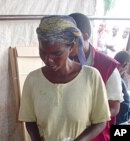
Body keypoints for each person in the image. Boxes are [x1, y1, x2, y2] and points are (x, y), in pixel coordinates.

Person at [18, 15, 110, 141]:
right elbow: (30, 120)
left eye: (56, 53)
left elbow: (100, 122)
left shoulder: (91, 77)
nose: (48, 59)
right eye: (43, 52)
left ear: (71, 47)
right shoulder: (33, 80)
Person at [69, 13, 124, 141]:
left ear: (85, 36)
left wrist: (85, 119)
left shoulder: (108, 67)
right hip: (68, 132)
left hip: (96, 134)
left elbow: (115, 108)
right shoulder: (63, 61)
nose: (66, 41)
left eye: (70, 36)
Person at [114, 51, 130, 124]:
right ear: (125, 65)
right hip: (117, 120)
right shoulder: (119, 81)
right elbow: (125, 110)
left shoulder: (106, 73)